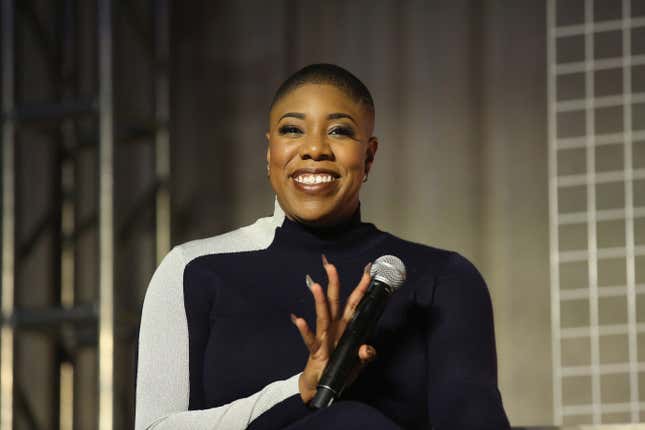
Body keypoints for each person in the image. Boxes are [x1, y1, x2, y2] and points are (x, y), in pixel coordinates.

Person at [135, 63, 510, 430]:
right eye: (292, 130)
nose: (314, 148)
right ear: (270, 153)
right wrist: (299, 390)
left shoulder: (442, 278)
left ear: (369, 157)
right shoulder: (193, 270)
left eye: (340, 131)